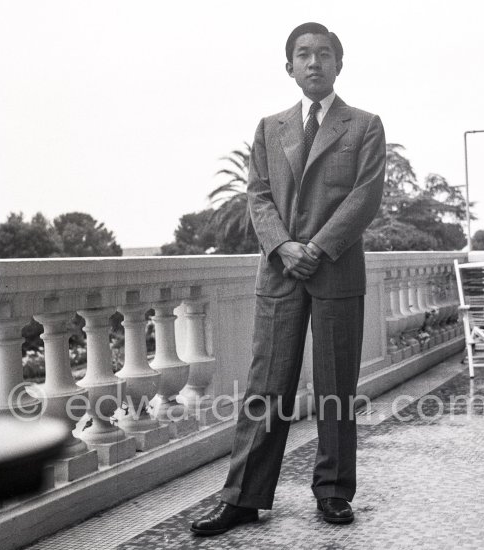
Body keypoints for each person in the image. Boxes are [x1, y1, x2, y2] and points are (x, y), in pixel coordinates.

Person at [191, 21, 386, 535]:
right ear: (289, 67)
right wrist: (283, 246)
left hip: (336, 270)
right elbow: (257, 195)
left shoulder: (364, 125)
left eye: (324, 54)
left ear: (339, 65)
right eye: (304, 55)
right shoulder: (269, 128)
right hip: (280, 273)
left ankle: (334, 492)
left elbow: (365, 196)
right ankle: (244, 498)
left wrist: (317, 248)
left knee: (336, 387)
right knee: (266, 386)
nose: (314, 62)